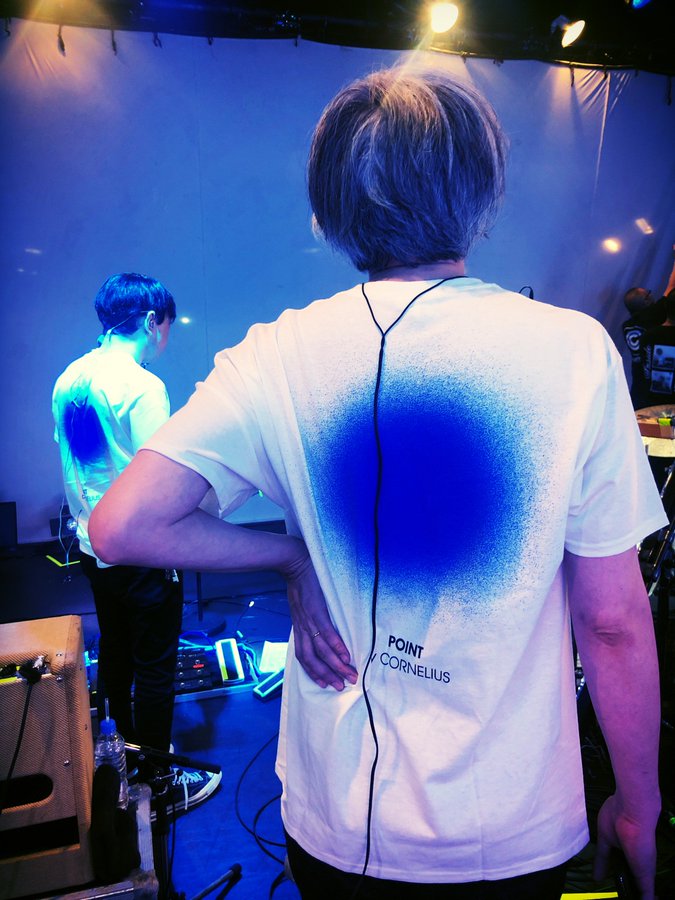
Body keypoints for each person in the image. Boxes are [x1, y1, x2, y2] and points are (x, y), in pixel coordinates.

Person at [89, 69, 664, 899]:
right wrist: (638, 806)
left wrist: (289, 558)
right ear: (482, 191)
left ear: (329, 210)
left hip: (332, 821)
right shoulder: (574, 351)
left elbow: (121, 526)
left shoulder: (276, 353)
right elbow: (610, 622)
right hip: (508, 828)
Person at [52, 272, 220, 812]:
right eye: (166, 324)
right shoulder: (142, 386)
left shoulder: (70, 378)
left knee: (116, 652)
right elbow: (162, 479)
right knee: (154, 665)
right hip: (142, 550)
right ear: (151, 321)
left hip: (94, 546)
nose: (166, 334)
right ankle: (158, 783)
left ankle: (119, 767)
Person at [622, 244, 675, 409]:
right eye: (649, 294)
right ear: (646, 301)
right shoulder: (653, 318)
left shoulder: (627, 326)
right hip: (661, 391)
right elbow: (671, 286)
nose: (652, 295)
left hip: (640, 386)